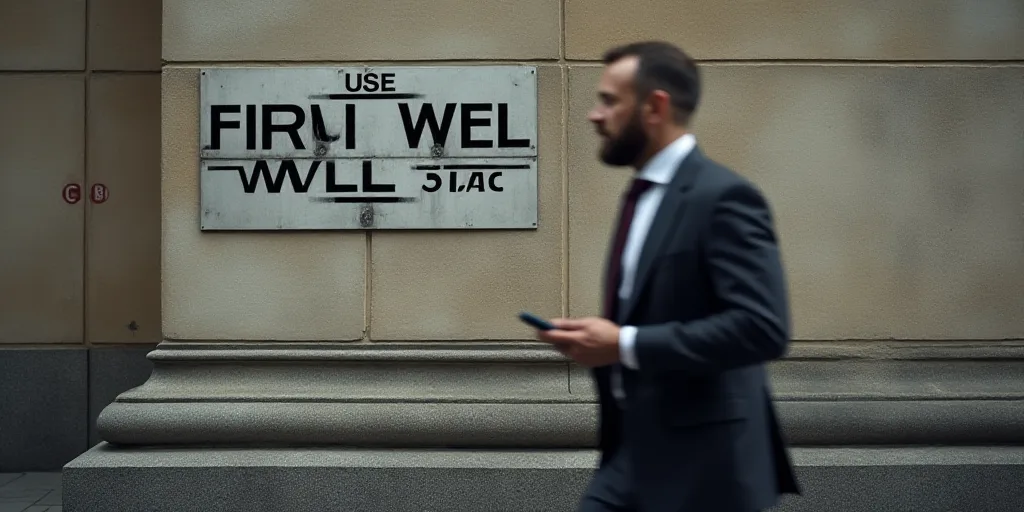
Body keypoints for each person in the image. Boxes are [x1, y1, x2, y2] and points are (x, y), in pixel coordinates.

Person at [534, 41, 801, 512]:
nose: (596, 116)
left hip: (706, 471)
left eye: (610, 101)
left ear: (654, 106)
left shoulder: (724, 197)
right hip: (632, 458)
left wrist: (625, 344)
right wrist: (601, 343)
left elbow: (763, 328)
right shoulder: (641, 195)